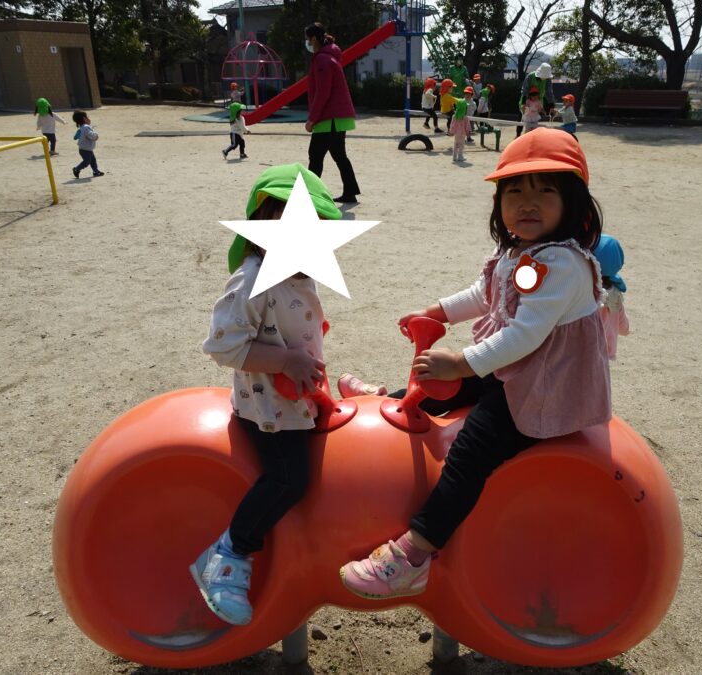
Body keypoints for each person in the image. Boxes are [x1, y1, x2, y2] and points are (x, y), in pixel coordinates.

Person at [339, 128, 611, 599]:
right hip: (518, 371)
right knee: (437, 385)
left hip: (545, 389)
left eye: (545, 191)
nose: (528, 203)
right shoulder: (519, 252)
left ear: (574, 203)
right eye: (514, 191)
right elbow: (483, 295)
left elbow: (524, 336)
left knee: (470, 449)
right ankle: (390, 400)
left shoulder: (562, 264)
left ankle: (414, 555)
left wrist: (462, 363)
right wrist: (437, 312)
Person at [192, 163, 342, 625]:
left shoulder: (298, 273)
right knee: (289, 479)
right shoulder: (252, 279)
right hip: (268, 412)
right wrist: (285, 361)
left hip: (294, 400)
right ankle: (228, 554)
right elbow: (223, 345)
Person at [304, 22, 361, 204]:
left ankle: (310, 196)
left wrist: (312, 119)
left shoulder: (322, 60)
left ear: (314, 39)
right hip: (336, 117)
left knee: (315, 156)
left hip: (329, 118)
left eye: (308, 39)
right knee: (338, 156)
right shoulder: (329, 57)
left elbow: (323, 93)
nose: (307, 43)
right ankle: (350, 192)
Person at [593, 234, 629, 361]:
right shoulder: (615, 296)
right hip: (606, 356)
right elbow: (624, 328)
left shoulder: (586, 291)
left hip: (585, 352)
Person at [518, 63, 555, 138]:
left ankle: (533, 137)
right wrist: (524, 103)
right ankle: (518, 135)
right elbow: (525, 90)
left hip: (538, 101)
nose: (544, 78)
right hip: (527, 100)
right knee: (522, 117)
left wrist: (552, 105)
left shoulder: (548, 80)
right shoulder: (530, 76)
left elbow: (549, 92)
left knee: (535, 120)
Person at [71, 110, 104, 178]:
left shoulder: (82, 127)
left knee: (93, 161)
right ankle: (76, 169)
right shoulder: (86, 127)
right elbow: (90, 135)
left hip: (86, 148)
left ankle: (96, 171)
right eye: (88, 117)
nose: (89, 118)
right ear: (84, 119)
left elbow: (78, 136)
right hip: (85, 149)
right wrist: (96, 135)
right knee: (87, 162)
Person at [448, 90, 471, 162]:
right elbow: (467, 127)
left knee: (456, 144)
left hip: (456, 133)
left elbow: (452, 125)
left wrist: (451, 131)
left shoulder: (454, 116)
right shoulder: (465, 117)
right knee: (461, 144)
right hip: (463, 133)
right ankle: (460, 156)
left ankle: (454, 156)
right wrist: (468, 133)